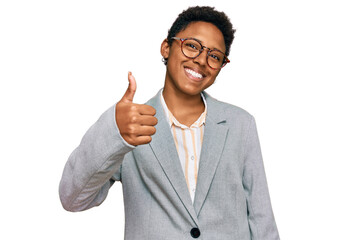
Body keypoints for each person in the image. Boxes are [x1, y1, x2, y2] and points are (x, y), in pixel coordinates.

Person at [59, 6, 280, 240]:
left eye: (214, 56)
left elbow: (261, 218)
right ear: (167, 47)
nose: (202, 60)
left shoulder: (240, 124)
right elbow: (73, 198)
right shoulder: (132, 126)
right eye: (192, 46)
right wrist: (114, 131)